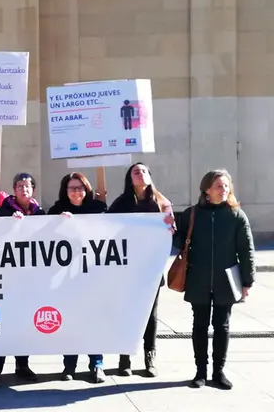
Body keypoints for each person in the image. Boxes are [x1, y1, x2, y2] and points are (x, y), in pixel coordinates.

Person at [175, 170, 255, 390]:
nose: (224, 190)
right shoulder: (192, 214)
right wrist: (167, 225)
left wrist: (247, 281)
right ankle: (200, 372)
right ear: (207, 189)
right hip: (198, 278)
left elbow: (246, 249)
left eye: (227, 186)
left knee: (222, 326)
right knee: (200, 325)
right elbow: (178, 239)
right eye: (219, 186)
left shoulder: (236, 215)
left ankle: (218, 372)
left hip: (226, 280)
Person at [107, 163, 172, 378]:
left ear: (150, 177)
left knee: (150, 316)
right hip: (126, 269)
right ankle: (124, 357)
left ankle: (149, 356)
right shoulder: (121, 202)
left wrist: (172, 227)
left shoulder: (162, 203)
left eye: (144, 171)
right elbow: (106, 227)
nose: (140, 174)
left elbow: (172, 235)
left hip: (151, 268)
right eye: (136, 171)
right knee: (127, 312)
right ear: (129, 178)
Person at [47, 172, 107, 384]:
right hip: (66, 277)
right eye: (72, 188)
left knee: (92, 319)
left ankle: (97, 364)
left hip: (92, 274)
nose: (76, 192)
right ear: (65, 190)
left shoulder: (98, 209)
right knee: (70, 319)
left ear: (87, 189)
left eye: (80, 187)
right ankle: (69, 364)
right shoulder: (55, 211)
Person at [0, 172, 44, 388]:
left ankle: (22, 364)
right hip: (6, 277)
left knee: (24, 322)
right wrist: (10, 225)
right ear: (13, 189)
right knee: (3, 323)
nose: (23, 189)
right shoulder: (3, 211)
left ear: (33, 190)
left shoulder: (40, 214)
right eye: (19, 185)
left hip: (30, 279)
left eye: (27, 185)